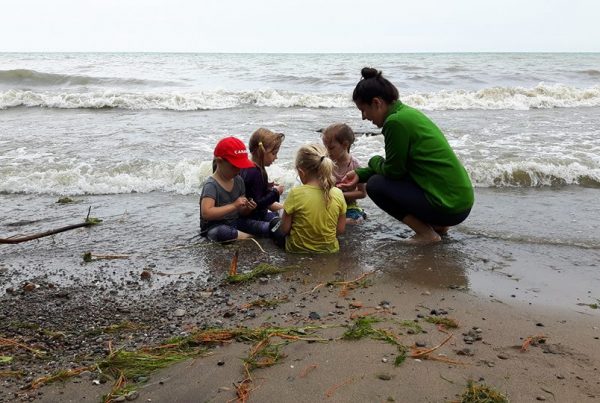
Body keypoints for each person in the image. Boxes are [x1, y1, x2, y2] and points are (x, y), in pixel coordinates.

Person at [338, 67, 474, 243]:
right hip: (460, 201)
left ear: (377, 103)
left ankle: (426, 234)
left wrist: (373, 162)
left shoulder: (395, 122)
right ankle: (439, 227)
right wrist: (360, 174)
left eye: (363, 110)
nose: (364, 117)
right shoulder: (407, 114)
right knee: (386, 178)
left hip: (449, 206)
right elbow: (400, 165)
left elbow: (394, 171)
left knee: (375, 186)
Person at [199, 136, 277, 242]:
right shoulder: (211, 185)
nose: (239, 169)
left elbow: (241, 212)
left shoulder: (238, 180)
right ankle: (250, 237)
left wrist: (248, 208)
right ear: (219, 161)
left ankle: (267, 231)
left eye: (241, 166)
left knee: (266, 227)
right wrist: (233, 205)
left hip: (237, 222)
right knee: (222, 232)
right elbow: (206, 213)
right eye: (235, 166)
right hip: (215, 227)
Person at [277, 144, 347, 253]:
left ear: (301, 172)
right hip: (329, 251)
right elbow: (340, 230)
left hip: (297, 250)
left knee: (274, 224)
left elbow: (284, 229)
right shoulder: (338, 193)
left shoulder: (296, 193)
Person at [321, 123, 367, 223]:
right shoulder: (325, 162)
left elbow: (362, 193)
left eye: (331, 148)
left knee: (352, 220)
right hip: (327, 205)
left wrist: (340, 194)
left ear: (345, 145)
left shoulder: (354, 166)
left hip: (348, 206)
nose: (327, 152)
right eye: (325, 147)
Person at [240, 128, 285, 223]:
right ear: (261, 151)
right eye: (274, 153)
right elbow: (258, 203)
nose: (276, 157)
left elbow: (253, 193)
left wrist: (268, 188)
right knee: (278, 228)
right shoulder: (255, 172)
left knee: (280, 218)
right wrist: (275, 192)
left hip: (253, 215)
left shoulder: (249, 167)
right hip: (250, 219)